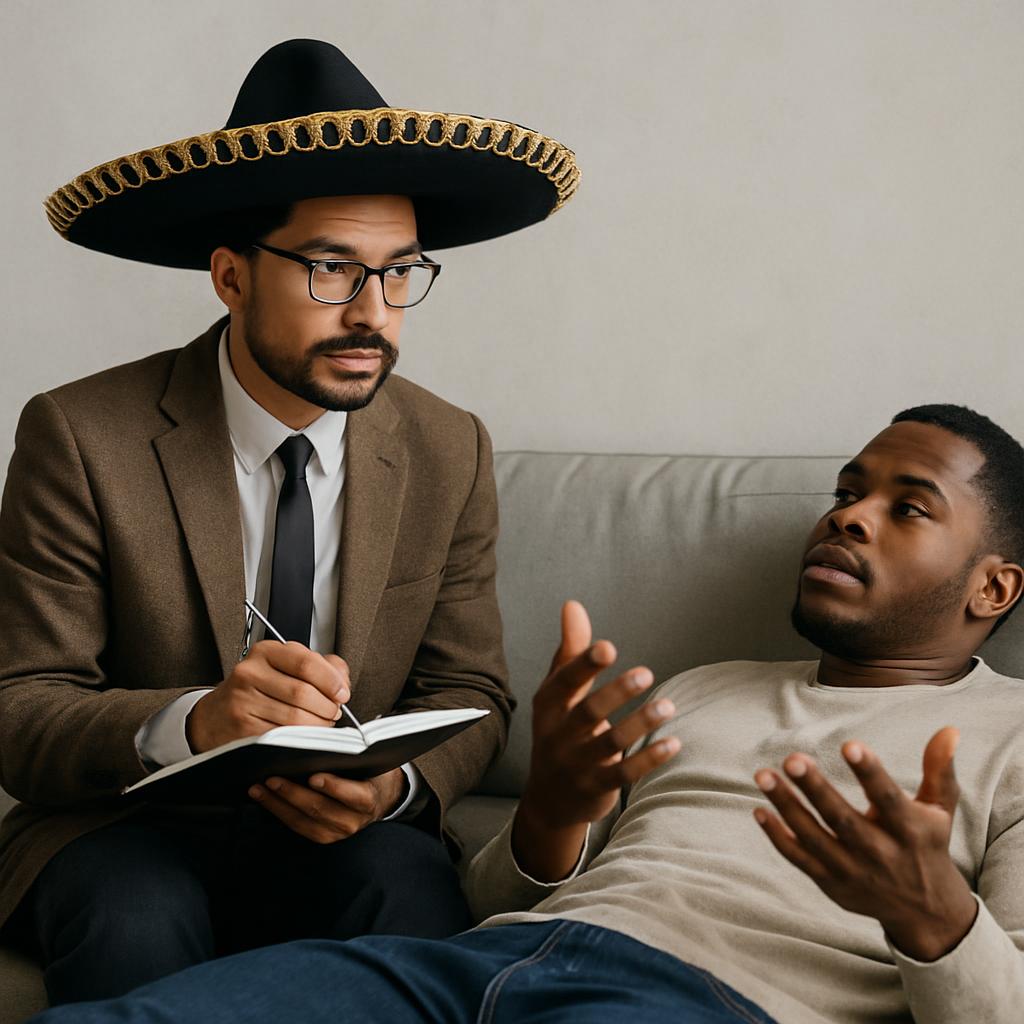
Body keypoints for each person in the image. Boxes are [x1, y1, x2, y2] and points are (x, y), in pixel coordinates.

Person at [31, 404, 1024, 1024]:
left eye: (907, 505)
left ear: (993, 587)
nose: (846, 513)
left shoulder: (1010, 740)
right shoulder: (703, 683)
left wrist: (928, 913)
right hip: (469, 966)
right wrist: (548, 806)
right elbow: (494, 888)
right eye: (848, 490)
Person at [0, 38, 580, 1005]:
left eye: (401, 274)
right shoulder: (79, 433)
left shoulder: (450, 447)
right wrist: (194, 723)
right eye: (329, 270)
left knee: (410, 894)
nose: (373, 314)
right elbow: (19, 706)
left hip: (349, 834)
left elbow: (471, 685)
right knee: (135, 916)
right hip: (117, 831)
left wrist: (392, 791)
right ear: (230, 277)